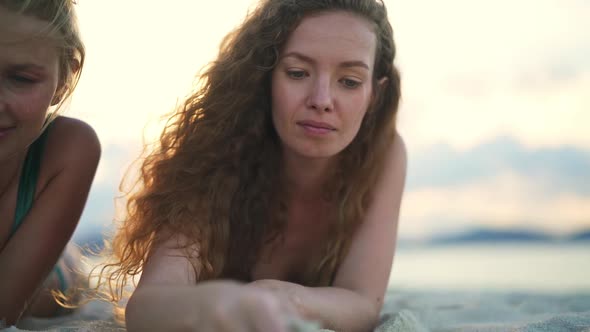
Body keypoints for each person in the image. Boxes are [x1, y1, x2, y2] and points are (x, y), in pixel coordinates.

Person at [101, 0, 406, 331]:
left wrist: (277, 296)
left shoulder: (383, 154)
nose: (321, 99)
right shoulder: (214, 151)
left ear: (375, 93)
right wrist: (215, 304)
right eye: (297, 73)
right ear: (265, 77)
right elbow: (146, 306)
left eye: (349, 81)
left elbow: (362, 303)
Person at [0, 0, 100, 326]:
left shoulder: (69, 148)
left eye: (22, 78)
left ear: (65, 79)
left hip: (57, 275)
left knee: (60, 281)